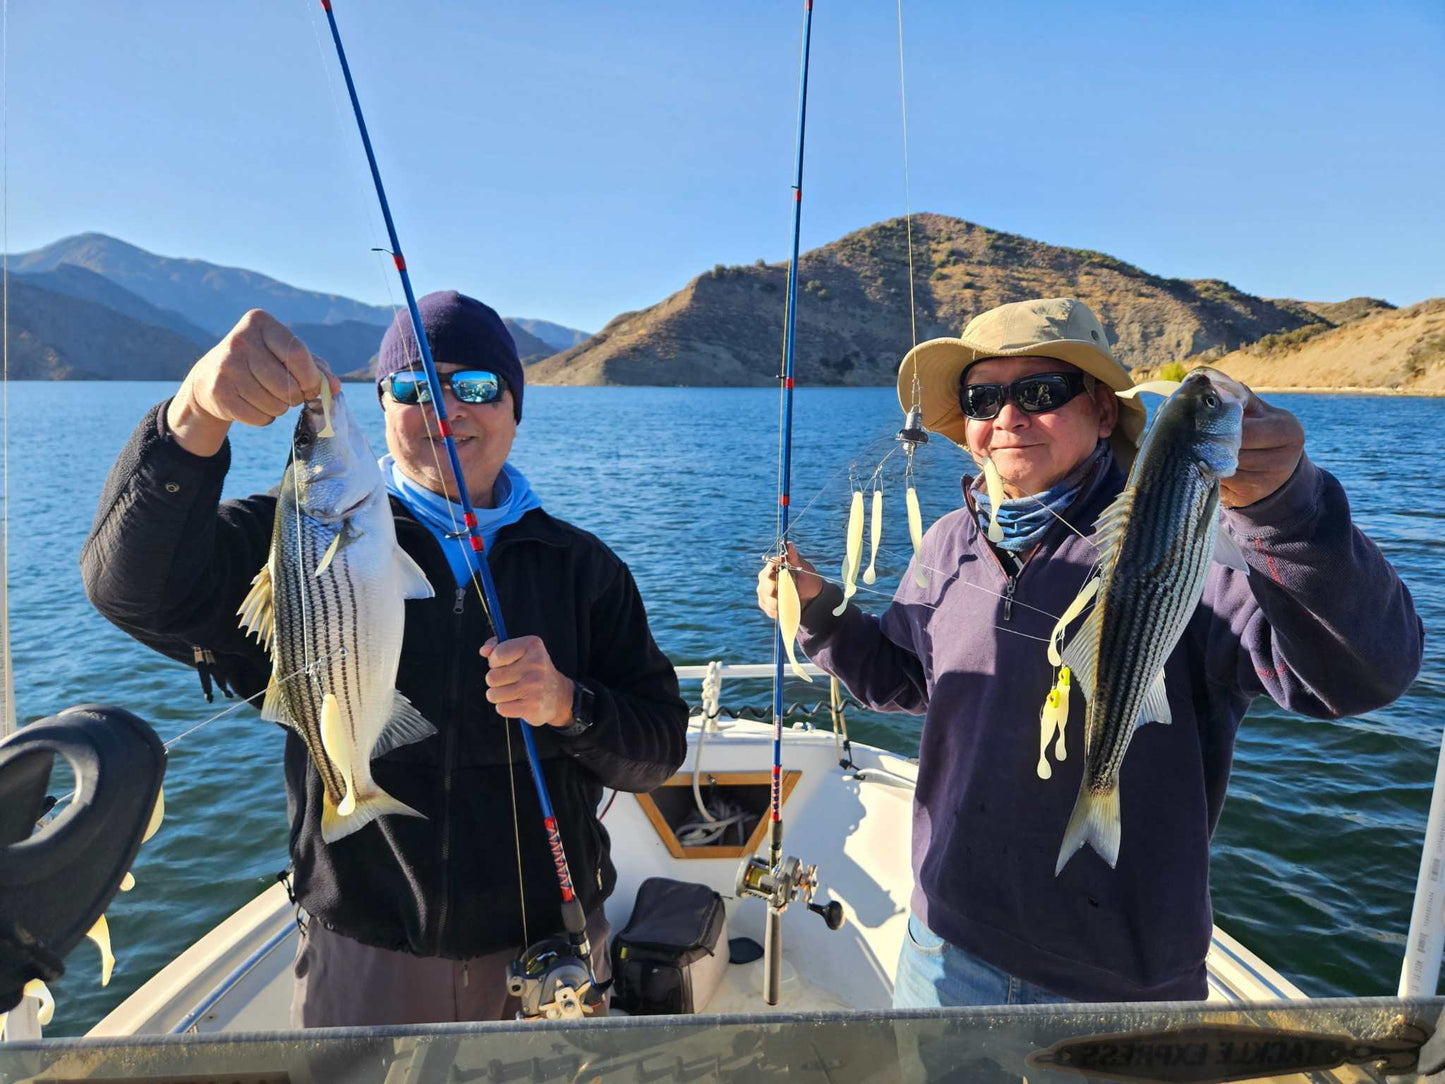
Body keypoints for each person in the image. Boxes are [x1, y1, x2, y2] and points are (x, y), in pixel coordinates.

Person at [757, 296, 1422, 1006]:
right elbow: (911, 681)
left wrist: (1288, 509)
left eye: (1040, 393)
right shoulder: (949, 540)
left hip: (1117, 982)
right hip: (941, 941)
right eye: (982, 397)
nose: (1007, 416)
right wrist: (821, 613)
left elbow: (1360, 677)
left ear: (1104, 412)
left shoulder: (1199, 546)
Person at [82, 290, 689, 1025]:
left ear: (514, 407)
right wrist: (194, 417)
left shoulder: (584, 570)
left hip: (547, 946)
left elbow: (656, 753)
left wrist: (571, 705)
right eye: (415, 389)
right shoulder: (287, 538)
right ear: (380, 406)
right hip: (366, 948)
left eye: (475, 388)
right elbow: (129, 589)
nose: (446, 411)